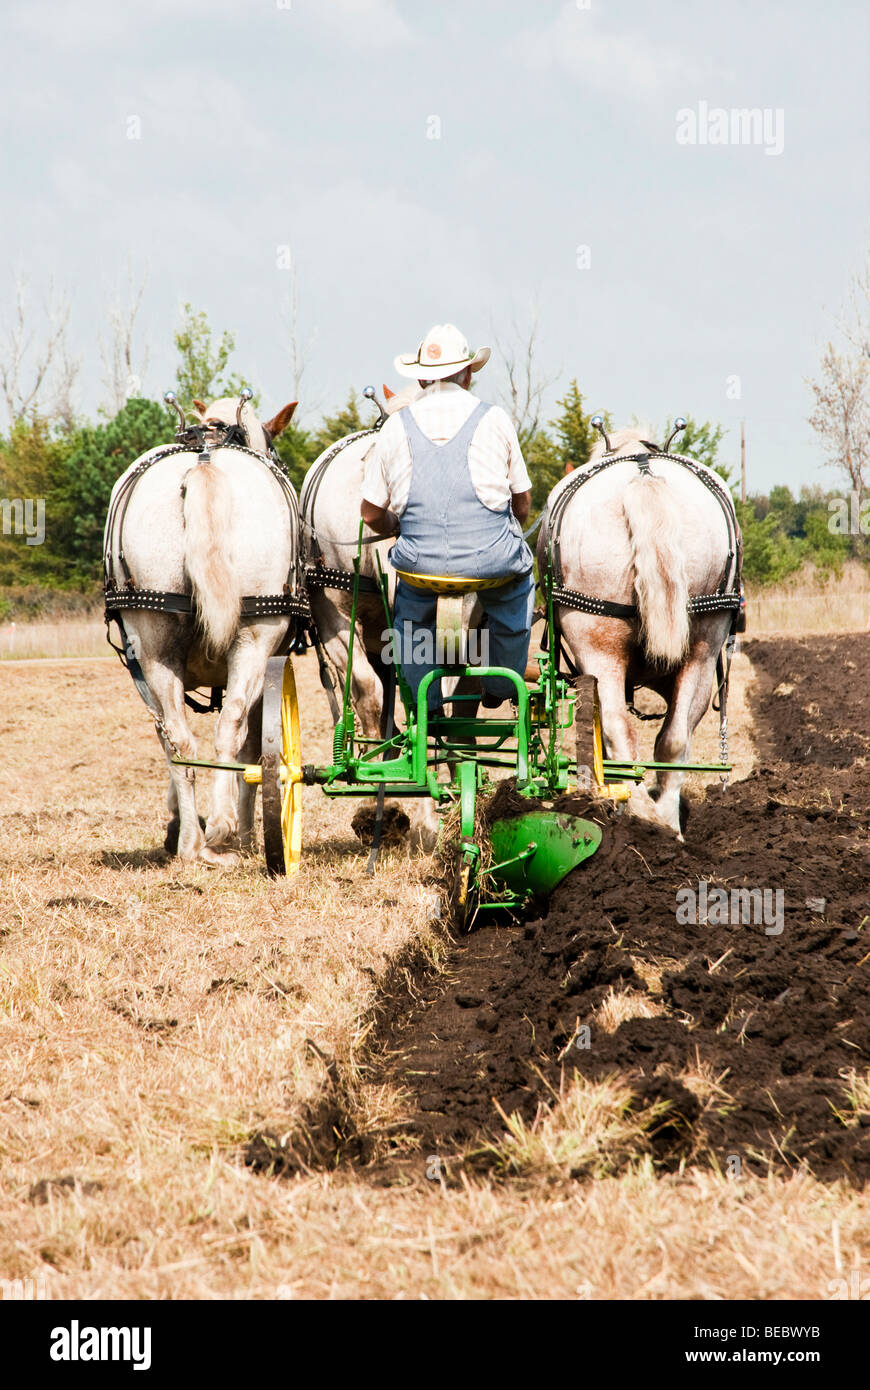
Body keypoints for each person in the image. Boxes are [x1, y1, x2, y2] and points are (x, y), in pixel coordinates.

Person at [361, 323, 534, 709]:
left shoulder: (394, 427)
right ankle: (501, 683)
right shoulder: (495, 418)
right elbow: (521, 504)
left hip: (423, 567)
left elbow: (370, 513)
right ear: (469, 372)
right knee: (516, 595)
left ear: (421, 377)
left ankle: (427, 706)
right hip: (492, 565)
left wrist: (398, 525)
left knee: (409, 622)